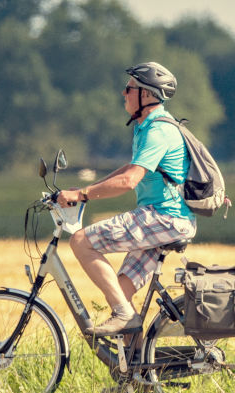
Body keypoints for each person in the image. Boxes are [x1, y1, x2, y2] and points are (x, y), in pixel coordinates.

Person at [56, 62, 194, 336]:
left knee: (81, 241)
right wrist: (85, 191)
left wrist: (82, 194)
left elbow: (129, 180)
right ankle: (138, 362)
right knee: (120, 291)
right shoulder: (146, 127)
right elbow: (130, 168)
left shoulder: (158, 131)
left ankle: (125, 315)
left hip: (165, 218)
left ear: (147, 94)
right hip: (164, 219)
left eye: (129, 88)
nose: (123, 93)